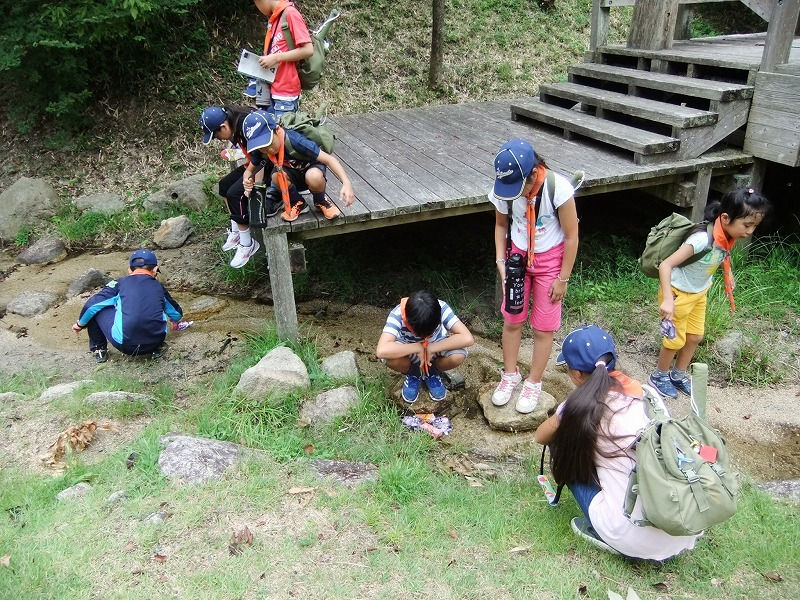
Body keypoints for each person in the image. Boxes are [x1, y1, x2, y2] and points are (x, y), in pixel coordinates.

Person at [535, 325, 701, 560]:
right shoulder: (647, 395)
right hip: (681, 524)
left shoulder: (578, 407)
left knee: (562, 443)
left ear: (576, 374)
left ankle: (604, 531)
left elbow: (541, 436)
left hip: (631, 538)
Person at [648, 188, 768, 398]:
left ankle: (678, 374)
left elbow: (719, 257)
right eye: (747, 225)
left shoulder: (725, 237)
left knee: (695, 336)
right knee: (674, 340)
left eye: (754, 226)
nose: (750, 231)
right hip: (678, 294)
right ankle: (658, 376)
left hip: (699, 293)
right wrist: (668, 299)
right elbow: (665, 266)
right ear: (725, 218)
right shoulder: (702, 240)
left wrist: (727, 275)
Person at [489, 139, 579, 414]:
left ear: (532, 173)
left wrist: (562, 278)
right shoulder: (505, 189)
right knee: (512, 319)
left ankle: (534, 382)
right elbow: (500, 224)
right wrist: (501, 262)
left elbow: (572, 235)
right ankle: (509, 375)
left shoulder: (558, 188)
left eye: (520, 187)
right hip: (517, 256)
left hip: (550, 260)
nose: (514, 193)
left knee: (543, 327)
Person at [200, 105, 283, 268]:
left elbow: (263, 155)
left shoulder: (246, 125)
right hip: (254, 162)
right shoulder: (234, 123)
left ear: (223, 126)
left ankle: (247, 244)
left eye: (217, 136)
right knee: (224, 186)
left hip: (269, 163)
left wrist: (255, 185)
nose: (219, 139)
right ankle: (237, 231)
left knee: (235, 194)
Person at [72, 250, 185, 363]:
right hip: (156, 342)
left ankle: (99, 349)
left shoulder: (119, 284)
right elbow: (176, 314)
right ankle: (157, 348)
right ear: (155, 269)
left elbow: (91, 305)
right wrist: (174, 321)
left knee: (97, 308)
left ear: (130, 270)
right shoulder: (159, 287)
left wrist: (80, 325)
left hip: (125, 346)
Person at [241, 109, 355, 221]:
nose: (268, 150)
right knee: (275, 177)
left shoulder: (295, 140)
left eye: (269, 143)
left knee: (313, 176)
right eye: (262, 148)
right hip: (292, 177)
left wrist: (346, 182)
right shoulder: (261, 150)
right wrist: (247, 181)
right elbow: (249, 171)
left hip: (311, 172)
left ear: (276, 130)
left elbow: (329, 159)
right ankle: (298, 202)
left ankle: (321, 201)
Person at [376, 290, 474, 403]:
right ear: (409, 321)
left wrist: (432, 348)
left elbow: (467, 338)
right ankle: (413, 373)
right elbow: (381, 350)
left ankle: (432, 372)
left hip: (436, 349)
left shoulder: (441, 308)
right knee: (387, 357)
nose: (425, 336)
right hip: (408, 352)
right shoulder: (397, 315)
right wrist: (417, 347)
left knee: (458, 355)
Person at [250, 0, 313, 117]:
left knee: (283, 133)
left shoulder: (290, 14)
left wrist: (276, 58)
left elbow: (308, 50)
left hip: (285, 93)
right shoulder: (275, 18)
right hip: (270, 88)